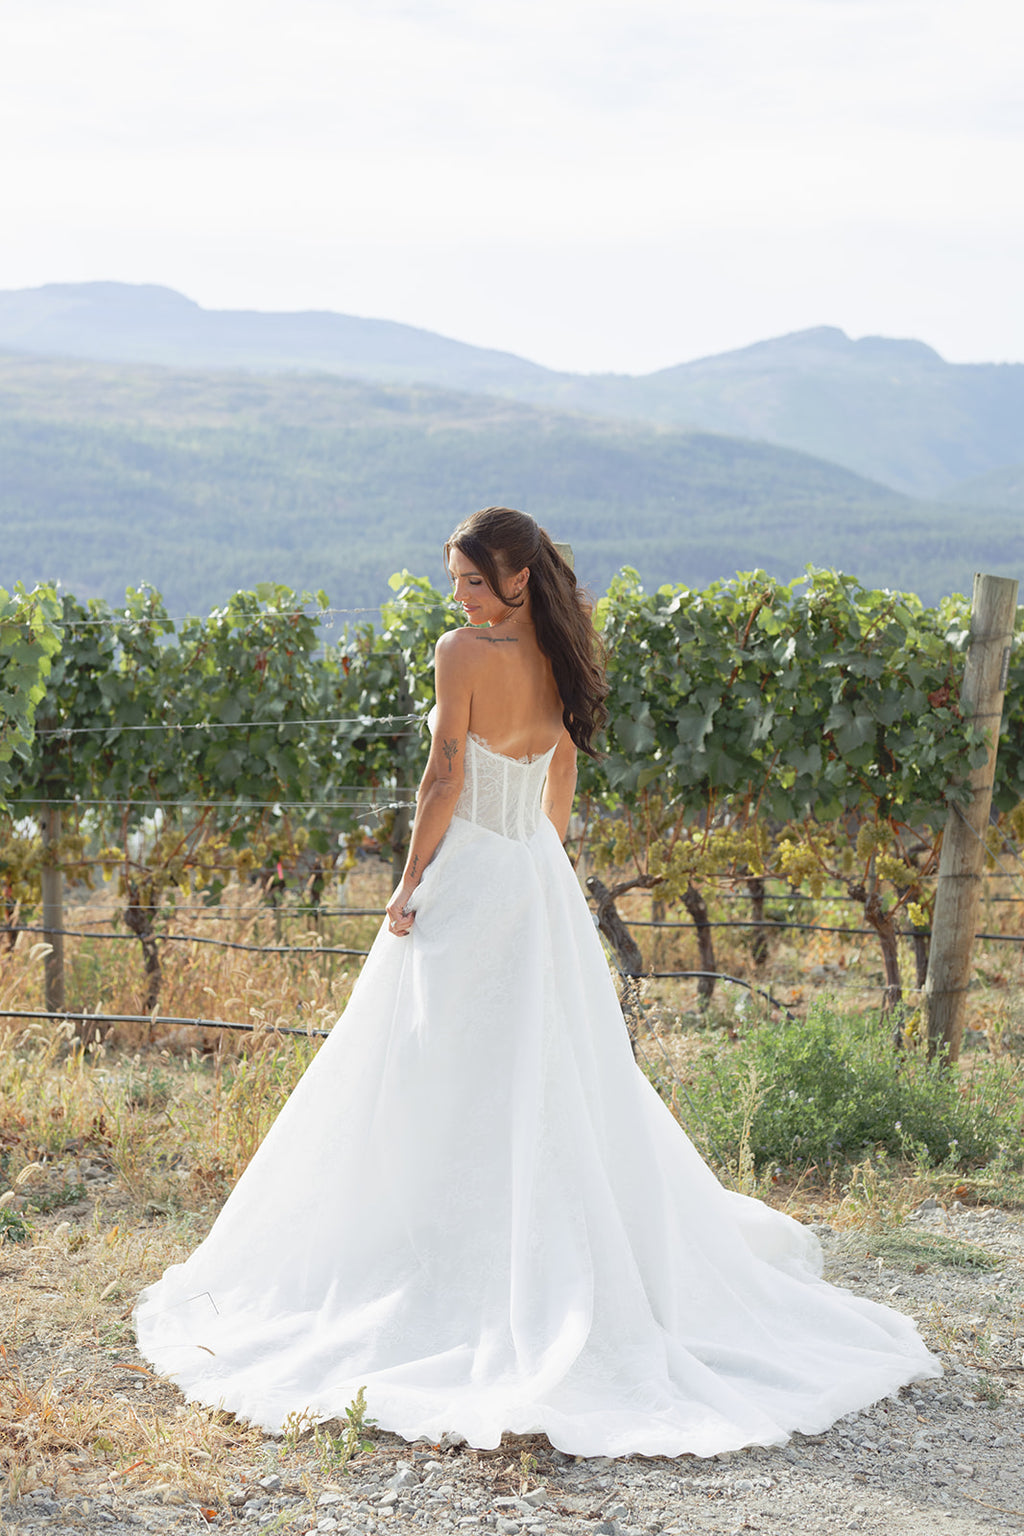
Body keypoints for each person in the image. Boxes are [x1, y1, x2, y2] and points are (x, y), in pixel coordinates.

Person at [135, 507, 939, 1458]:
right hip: (532, 873)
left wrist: (408, 883)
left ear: (518, 576)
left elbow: (441, 775)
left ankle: (441, 1261)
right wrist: (544, 869)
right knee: (543, 1069)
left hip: (474, 868)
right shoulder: (560, 652)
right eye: (457, 584)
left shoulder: (460, 655)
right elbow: (557, 784)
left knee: (436, 1065)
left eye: (477, 581)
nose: (463, 599)